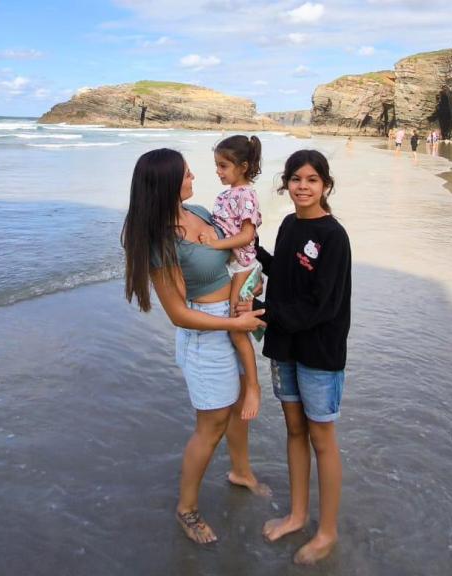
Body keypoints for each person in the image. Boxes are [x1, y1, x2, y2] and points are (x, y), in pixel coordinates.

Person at [122, 148, 269, 546]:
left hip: (232, 319)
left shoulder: (202, 213)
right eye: (186, 175)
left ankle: (241, 471)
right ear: (167, 183)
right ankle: (186, 508)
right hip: (207, 335)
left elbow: (242, 250)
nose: (194, 179)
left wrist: (248, 298)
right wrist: (232, 322)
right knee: (212, 425)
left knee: (239, 408)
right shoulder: (162, 240)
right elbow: (179, 314)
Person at [241, 149, 352, 565]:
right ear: (285, 183)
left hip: (319, 351)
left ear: (325, 185)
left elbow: (323, 305)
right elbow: (282, 272)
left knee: (321, 438)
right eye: (295, 179)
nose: (302, 187)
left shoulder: (333, 237)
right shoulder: (288, 225)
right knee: (293, 429)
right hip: (285, 345)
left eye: (311, 180)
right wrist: (249, 247)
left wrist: (263, 313)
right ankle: (298, 514)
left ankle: (326, 532)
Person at [197, 135, 264, 420]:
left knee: (237, 326)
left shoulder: (246, 195)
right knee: (233, 325)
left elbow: (248, 235)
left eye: (224, 166)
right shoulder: (224, 196)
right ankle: (238, 377)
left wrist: (214, 245)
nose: (218, 171)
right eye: (217, 165)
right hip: (231, 265)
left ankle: (252, 386)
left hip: (242, 266)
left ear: (244, 166)